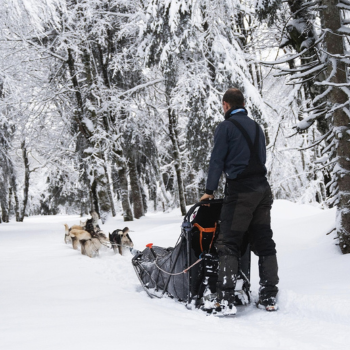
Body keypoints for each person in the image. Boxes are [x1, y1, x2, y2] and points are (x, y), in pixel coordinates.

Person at [200, 88, 279, 315]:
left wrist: (209, 190)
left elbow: (217, 160)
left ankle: (224, 300)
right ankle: (268, 295)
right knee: (264, 241)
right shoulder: (257, 127)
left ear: (226, 105)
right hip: (263, 190)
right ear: (243, 104)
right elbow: (261, 158)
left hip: (241, 191)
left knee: (228, 242)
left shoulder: (225, 127)